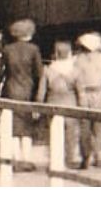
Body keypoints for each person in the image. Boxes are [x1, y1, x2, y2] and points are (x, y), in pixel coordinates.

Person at [72, 32, 101, 168]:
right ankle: (98, 156)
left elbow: (74, 78)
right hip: (99, 93)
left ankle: (85, 157)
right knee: (99, 127)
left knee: (84, 127)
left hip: (82, 94)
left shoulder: (78, 60)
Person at [0, 18, 43, 160]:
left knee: (13, 128)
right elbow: (39, 73)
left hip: (10, 89)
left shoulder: (7, 50)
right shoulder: (34, 49)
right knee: (27, 128)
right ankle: (26, 158)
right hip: (28, 90)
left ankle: (16, 158)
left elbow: (1, 73)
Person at [40, 40, 81, 168]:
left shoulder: (47, 70)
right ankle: (69, 159)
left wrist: (39, 106)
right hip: (71, 103)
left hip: (53, 103)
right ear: (69, 53)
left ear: (55, 54)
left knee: (54, 133)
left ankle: (55, 159)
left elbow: (42, 91)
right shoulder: (75, 70)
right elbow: (80, 90)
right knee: (71, 135)